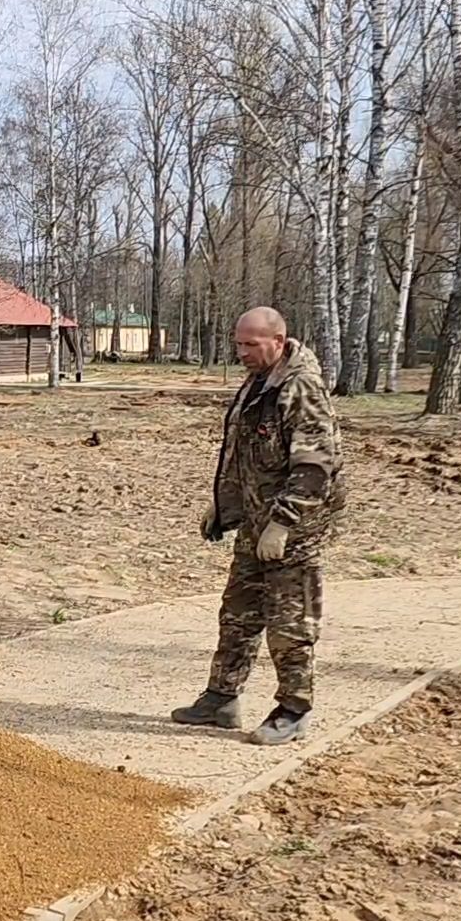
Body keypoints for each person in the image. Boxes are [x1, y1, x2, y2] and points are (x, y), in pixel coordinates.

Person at [172, 307, 345, 745]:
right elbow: (241, 451)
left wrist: (283, 525)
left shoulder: (300, 387)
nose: (241, 352)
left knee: (289, 621)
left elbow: (316, 465)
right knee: (238, 613)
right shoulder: (259, 381)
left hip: (295, 527)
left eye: (250, 344)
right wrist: (221, 506)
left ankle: (294, 709)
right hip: (255, 518)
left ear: (279, 340)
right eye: (238, 343)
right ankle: (221, 698)